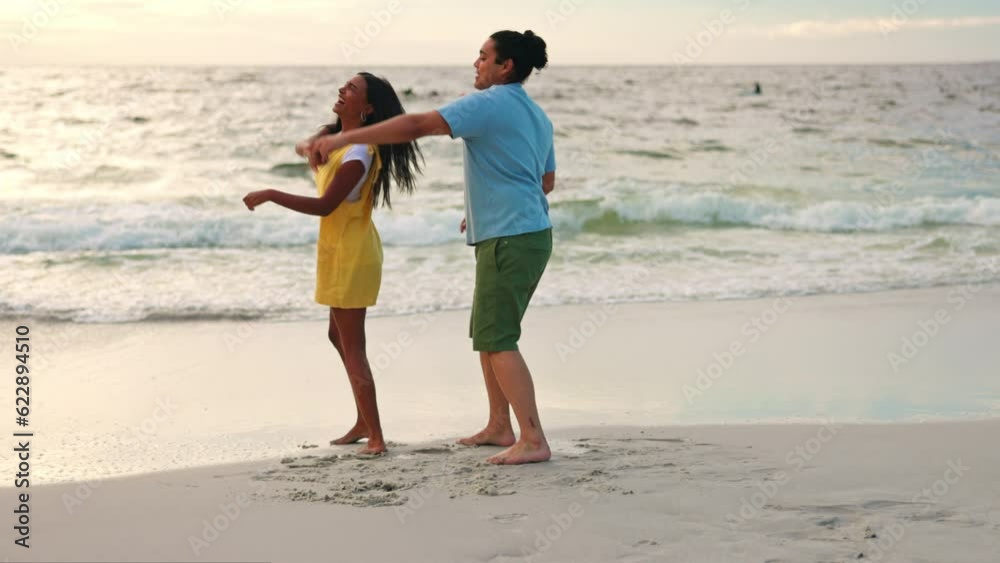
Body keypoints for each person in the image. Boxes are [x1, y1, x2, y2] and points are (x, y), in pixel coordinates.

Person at [309, 30, 556, 465]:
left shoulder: (487, 103)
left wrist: (347, 139)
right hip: (522, 231)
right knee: (487, 334)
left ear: (506, 67)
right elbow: (544, 182)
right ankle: (500, 425)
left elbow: (419, 125)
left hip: (510, 237)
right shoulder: (535, 115)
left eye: (483, 57)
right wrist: (488, 207)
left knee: (499, 339)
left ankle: (532, 438)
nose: (476, 64)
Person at [242, 72, 423, 455]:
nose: (342, 90)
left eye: (352, 90)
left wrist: (272, 193)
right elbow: (306, 146)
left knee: (352, 344)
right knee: (337, 336)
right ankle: (363, 421)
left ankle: (375, 436)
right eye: (344, 86)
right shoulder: (340, 139)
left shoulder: (359, 154)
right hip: (338, 249)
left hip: (352, 254)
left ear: (368, 107)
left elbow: (325, 206)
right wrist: (311, 146)